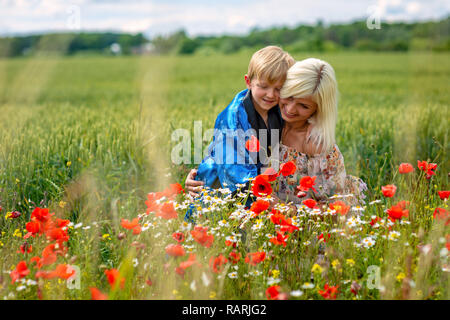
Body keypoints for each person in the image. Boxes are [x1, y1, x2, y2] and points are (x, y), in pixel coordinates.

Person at [185, 46, 295, 198]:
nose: (271, 95)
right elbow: (233, 171)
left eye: (279, 89)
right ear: (248, 82)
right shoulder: (231, 118)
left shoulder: (282, 109)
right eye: (263, 86)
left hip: (263, 184)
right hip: (224, 187)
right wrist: (271, 201)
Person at [274, 58, 367, 207]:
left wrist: (288, 212)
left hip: (302, 222)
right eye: (289, 96)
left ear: (318, 109)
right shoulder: (265, 122)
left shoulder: (318, 145)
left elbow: (333, 206)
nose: (290, 109)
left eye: (303, 106)